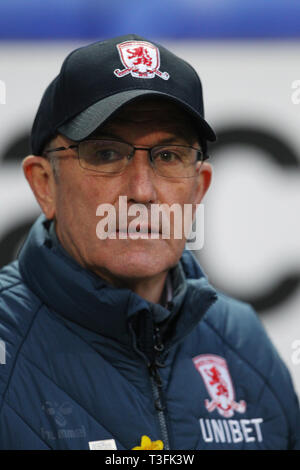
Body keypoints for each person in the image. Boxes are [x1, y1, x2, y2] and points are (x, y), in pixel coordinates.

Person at [0, 34, 299, 451]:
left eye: (168, 156)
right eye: (105, 154)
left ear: (198, 190)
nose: (142, 191)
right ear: (44, 184)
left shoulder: (244, 342)